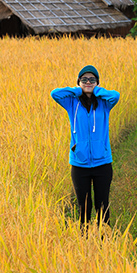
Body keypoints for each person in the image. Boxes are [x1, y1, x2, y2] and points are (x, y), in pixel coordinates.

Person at [51, 65, 120, 229]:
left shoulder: (104, 103)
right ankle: (85, 243)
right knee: (84, 208)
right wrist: (77, 90)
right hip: (79, 164)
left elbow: (115, 96)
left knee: (102, 206)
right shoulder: (71, 103)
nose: (88, 82)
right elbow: (55, 93)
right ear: (79, 81)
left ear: (97, 82)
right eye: (84, 79)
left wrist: (97, 91)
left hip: (102, 163)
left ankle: (105, 241)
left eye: (92, 79)